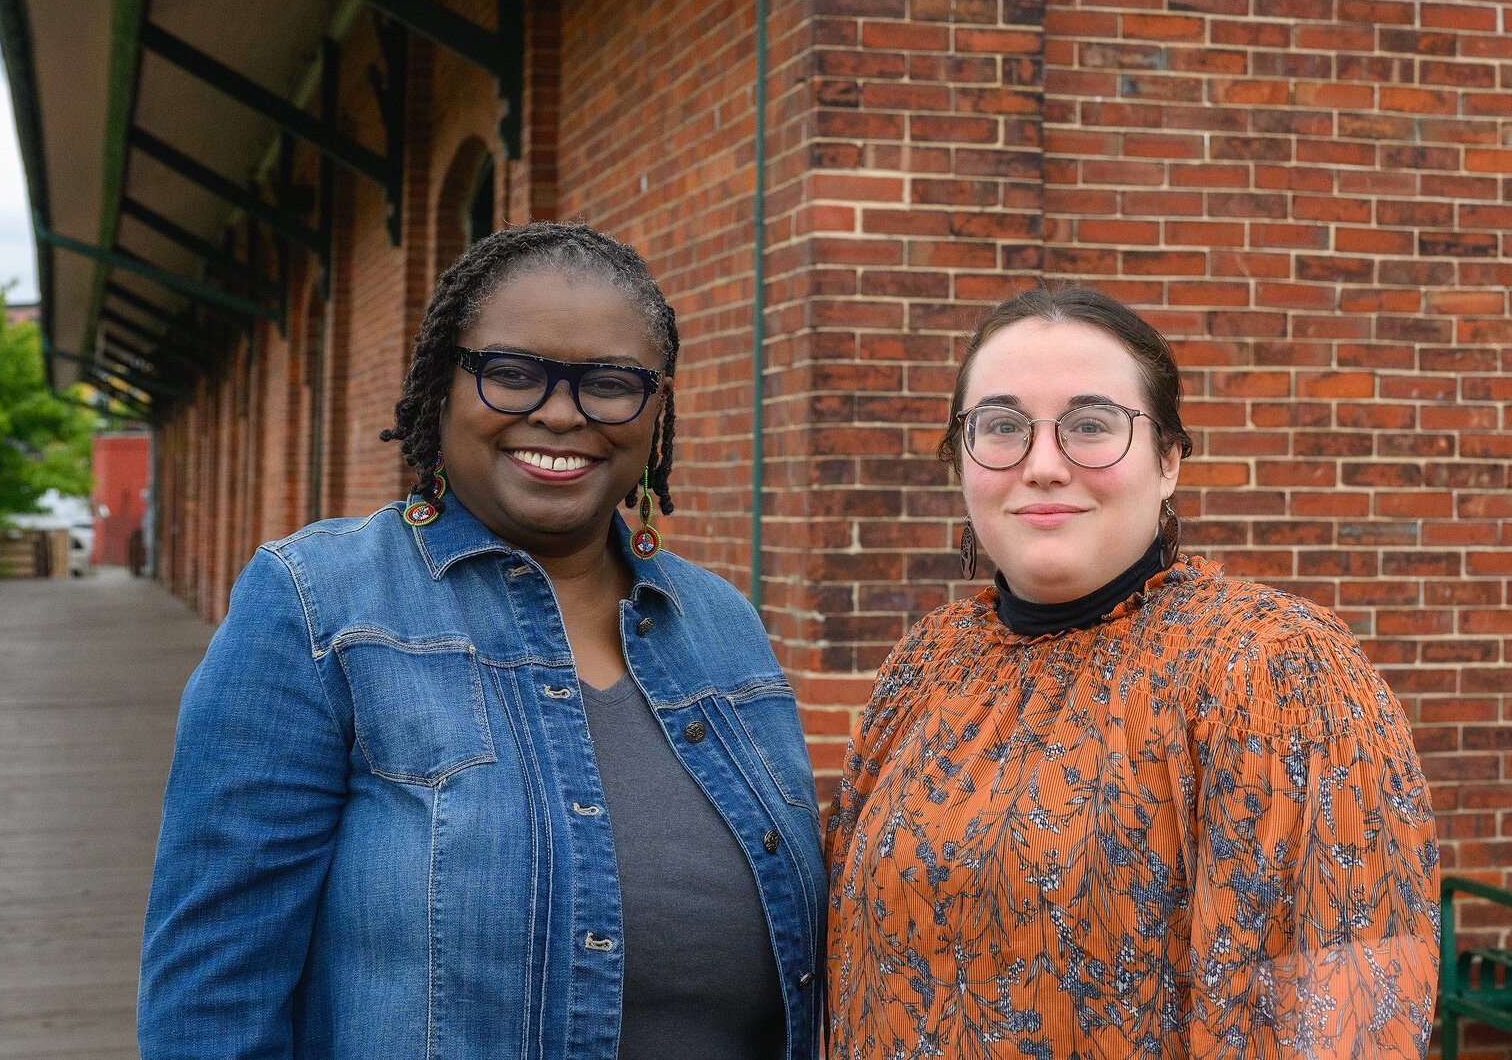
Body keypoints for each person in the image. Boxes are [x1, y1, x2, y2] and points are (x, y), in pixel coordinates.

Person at [138, 222, 825, 1059]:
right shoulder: (320, 609)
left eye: (611, 383)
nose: (561, 413)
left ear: (656, 409)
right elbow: (213, 1002)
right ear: (442, 385)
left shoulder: (722, 625)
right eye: (512, 374)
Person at [826, 285, 1438, 1058]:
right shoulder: (925, 665)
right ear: (962, 460)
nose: (1043, 465)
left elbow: (1338, 1022)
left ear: (1169, 460)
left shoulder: (1271, 671)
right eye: (1002, 427)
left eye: (1090, 426)